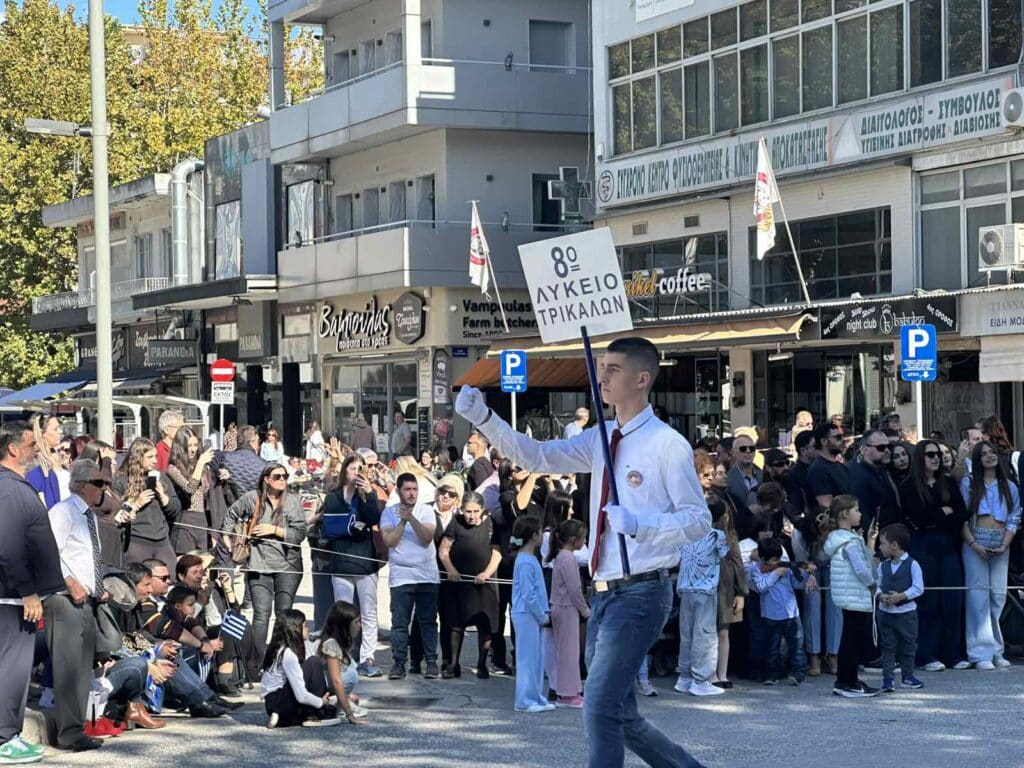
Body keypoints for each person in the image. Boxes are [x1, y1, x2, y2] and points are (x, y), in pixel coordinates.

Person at [457, 336, 712, 768]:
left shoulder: (668, 444)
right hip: (604, 592)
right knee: (618, 712)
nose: (602, 376)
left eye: (613, 369)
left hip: (642, 589)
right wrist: (484, 417)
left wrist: (642, 526)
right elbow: (537, 454)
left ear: (641, 379)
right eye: (603, 366)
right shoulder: (602, 437)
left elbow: (697, 520)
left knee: (597, 705)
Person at [0, 421, 63, 764]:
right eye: (29, 444)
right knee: (13, 667)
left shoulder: (11, 486)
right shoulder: (9, 489)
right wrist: (27, 592)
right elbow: (8, 545)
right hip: (12, 596)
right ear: (13, 449)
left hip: (13, 593)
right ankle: (5, 738)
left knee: (12, 666)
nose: (36, 449)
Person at [45, 460, 111, 752]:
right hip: (64, 599)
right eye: (98, 483)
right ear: (82, 485)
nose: (103, 489)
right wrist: (69, 580)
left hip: (87, 600)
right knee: (67, 668)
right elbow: (48, 552)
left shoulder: (90, 516)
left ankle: (75, 729)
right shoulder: (63, 512)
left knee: (82, 667)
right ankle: (68, 732)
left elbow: (86, 556)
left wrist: (98, 586)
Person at [898, 440, 970, 672]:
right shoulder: (909, 486)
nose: (935, 458)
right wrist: (941, 512)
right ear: (921, 457)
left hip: (947, 545)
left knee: (952, 600)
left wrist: (937, 516)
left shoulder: (948, 483)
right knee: (927, 600)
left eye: (938, 454)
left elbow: (960, 514)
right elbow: (917, 518)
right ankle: (926, 654)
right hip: (922, 546)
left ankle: (953, 653)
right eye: (930, 454)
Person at [223, 463, 307, 655]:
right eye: (277, 476)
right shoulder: (252, 498)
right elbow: (231, 515)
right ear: (266, 480)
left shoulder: (293, 502)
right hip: (258, 565)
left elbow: (300, 534)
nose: (282, 480)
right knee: (261, 615)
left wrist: (275, 531)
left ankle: (281, 657)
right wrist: (228, 539)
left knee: (284, 614)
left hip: (288, 566)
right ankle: (257, 661)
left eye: (285, 476)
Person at [321, 453, 383, 678]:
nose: (357, 472)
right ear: (344, 470)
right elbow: (328, 527)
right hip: (341, 562)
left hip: (365, 562)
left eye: (361, 469)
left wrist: (369, 492)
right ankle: (344, 656)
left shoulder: (366, 495)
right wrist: (348, 527)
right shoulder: (333, 497)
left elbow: (374, 517)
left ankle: (367, 657)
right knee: (343, 614)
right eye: (353, 468)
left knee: (368, 613)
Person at [959, 441, 1020, 669]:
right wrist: (973, 544)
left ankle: (996, 649)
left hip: (1001, 543)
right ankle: (979, 653)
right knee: (977, 597)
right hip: (976, 540)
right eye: (983, 453)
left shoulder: (1009, 486)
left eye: (992, 452)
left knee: (998, 596)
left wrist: (1005, 544)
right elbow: (962, 518)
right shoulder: (970, 483)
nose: (989, 456)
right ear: (977, 459)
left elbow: (1015, 517)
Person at [380, 472, 440, 680]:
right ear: (398, 491)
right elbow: (389, 541)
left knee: (428, 621)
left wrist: (411, 517)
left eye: (414, 489)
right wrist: (402, 522)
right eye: (407, 489)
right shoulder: (388, 513)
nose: (412, 493)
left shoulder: (427, 511)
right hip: (401, 576)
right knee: (399, 622)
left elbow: (427, 537)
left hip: (427, 575)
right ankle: (398, 663)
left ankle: (431, 662)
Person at [438, 490, 501, 680]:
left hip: (484, 583)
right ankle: (453, 664)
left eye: (475, 511)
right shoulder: (455, 523)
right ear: (462, 510)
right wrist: (450, 569)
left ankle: (482, 664)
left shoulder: (490, 524)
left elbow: (496, 553)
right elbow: (443, 549)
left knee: (486, 625)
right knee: (456, 625)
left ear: (482, 510)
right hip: (459, 582)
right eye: (468, 511)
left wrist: (486, 574)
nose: (472, 516)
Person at [822, 495, 880, 697]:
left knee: (850, 638)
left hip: (849, 596)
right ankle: (847, 682)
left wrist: (869, 541)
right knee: (852, 641)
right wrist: (873, 584)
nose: (860, 514)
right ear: (845, 514)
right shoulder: (850, 542)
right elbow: (861, 570)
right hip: (855, 596)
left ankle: (849, 679)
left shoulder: (843, 539)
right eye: (857, 510)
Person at [674, 499, 731, 697]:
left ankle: (685, 676)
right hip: (705, 589)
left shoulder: (687, 535)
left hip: (685, 587)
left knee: (687, 633)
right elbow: (725, 555)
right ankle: (701, 679)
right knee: (704, 634)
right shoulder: (717, 535)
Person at [747, 537, 814, 686]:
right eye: (773, 560)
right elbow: (760, 587)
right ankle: (772, 674)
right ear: (763, 558)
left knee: (797, 646)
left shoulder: (784, 567)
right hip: (771, 615)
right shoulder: (756, 569)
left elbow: (797, 584)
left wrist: (806, 573)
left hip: (791, 614)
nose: (777, 561)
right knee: (772, 648)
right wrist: (776, 573)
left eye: (779, 559)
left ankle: (799, 672)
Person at [261, 610, 339, 728]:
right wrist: (321, 702)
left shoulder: (277, 649)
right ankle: (315, 714)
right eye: (305, 626)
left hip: (271, 703)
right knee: (313, 662)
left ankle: (278, 714)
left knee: (308, 664)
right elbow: (301, 695)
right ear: (295, 629)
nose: (308, 629)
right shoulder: (288, 654)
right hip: (283, 705)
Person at [114, 438, 182, 567]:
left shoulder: (161, 478)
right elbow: (118, 515)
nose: (155, 460)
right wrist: (137, 504)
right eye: (150, 457)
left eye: (156, 456)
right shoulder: (122, 481)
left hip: (161, 539)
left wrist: (163, 496)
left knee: (169, 577)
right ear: (138, 457)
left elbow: (175, 509)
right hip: (137, 540)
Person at [545, 518, 590, 707]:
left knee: (565, 651)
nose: (584, 542)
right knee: (569, 653)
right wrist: (585, 610)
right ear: (573, 540)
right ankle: (567, 693)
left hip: (560, 606)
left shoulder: (561, 556)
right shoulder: (568, 558)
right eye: (582, 539)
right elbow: (574, 589)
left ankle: (567, 691)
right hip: (566, 608)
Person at [510, 516, 552, 713]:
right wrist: (541, 613)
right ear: (534, 535)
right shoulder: (525, 561)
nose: (543, 535)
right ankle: (524, 700)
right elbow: (528, 594)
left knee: (537, 657)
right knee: (527, 658)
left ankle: (535, 696)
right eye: (541, 531)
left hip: (533, 614)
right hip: (526, 614)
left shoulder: (531, 559)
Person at [876, 524, 926, 692]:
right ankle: (888, 679)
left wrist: (901, 596)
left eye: (882, 543)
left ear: (894, 545)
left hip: (907, 614)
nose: (880, 547)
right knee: (888, 646)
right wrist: (880, 595)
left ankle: (908, 676)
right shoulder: (882, 566)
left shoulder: (912, 564)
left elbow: (918, 587)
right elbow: (876, 584)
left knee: (908, 645)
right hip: (886, 614)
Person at [164, 426, 216, 554]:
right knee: (186, 561)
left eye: (195, 445)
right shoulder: (173, 468)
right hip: (186, 518)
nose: (194, 449)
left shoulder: (199, 465)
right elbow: (190, 488)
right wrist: (200, 463)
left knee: (202, 560)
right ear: (181, 447)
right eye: (190, 445)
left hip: (201, 518)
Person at [79, 440, 130, 569]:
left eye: (114, 459)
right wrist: (105, 462)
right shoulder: (88, 482)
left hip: (114, 542)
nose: (113, 463)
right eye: (108, 460)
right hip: (100, 544)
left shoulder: (109, 486)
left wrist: (123, 516)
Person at [315, 601, 368, 724]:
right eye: (356, 622)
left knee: (351, 664)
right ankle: (341, 706)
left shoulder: (336, 640)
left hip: (320, 682)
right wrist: (350, 715)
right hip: (313, 684)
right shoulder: (331, 643)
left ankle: (342, 700)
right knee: (350, 675)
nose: (360, 625)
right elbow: (336, 680)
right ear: (345, 625)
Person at [849, 429, 900, 537]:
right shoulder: (857, 475)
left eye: (889, 446)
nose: (887, 450)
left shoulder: (882, 468)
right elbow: (862, 516)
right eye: (880, 447)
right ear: (865, 449)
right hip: (876, 540)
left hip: (890, 535)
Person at [808, 422, 850, 511]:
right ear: (824, 441)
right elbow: (827, 507)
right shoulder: (818, 470)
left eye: (842, 436)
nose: (843, 440)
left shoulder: (842, 467)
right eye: (838, 437)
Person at [26, 414, 65, 509]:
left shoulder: (58, 457)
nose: (60, 432)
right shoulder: (34, 462)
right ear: (42, 433)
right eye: (55, 429)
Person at [726, 432, 761, 511]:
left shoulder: (763, 475)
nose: (748, 451)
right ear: (733, 453)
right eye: (743, 449)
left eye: (751, 448)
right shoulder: (727, 479)